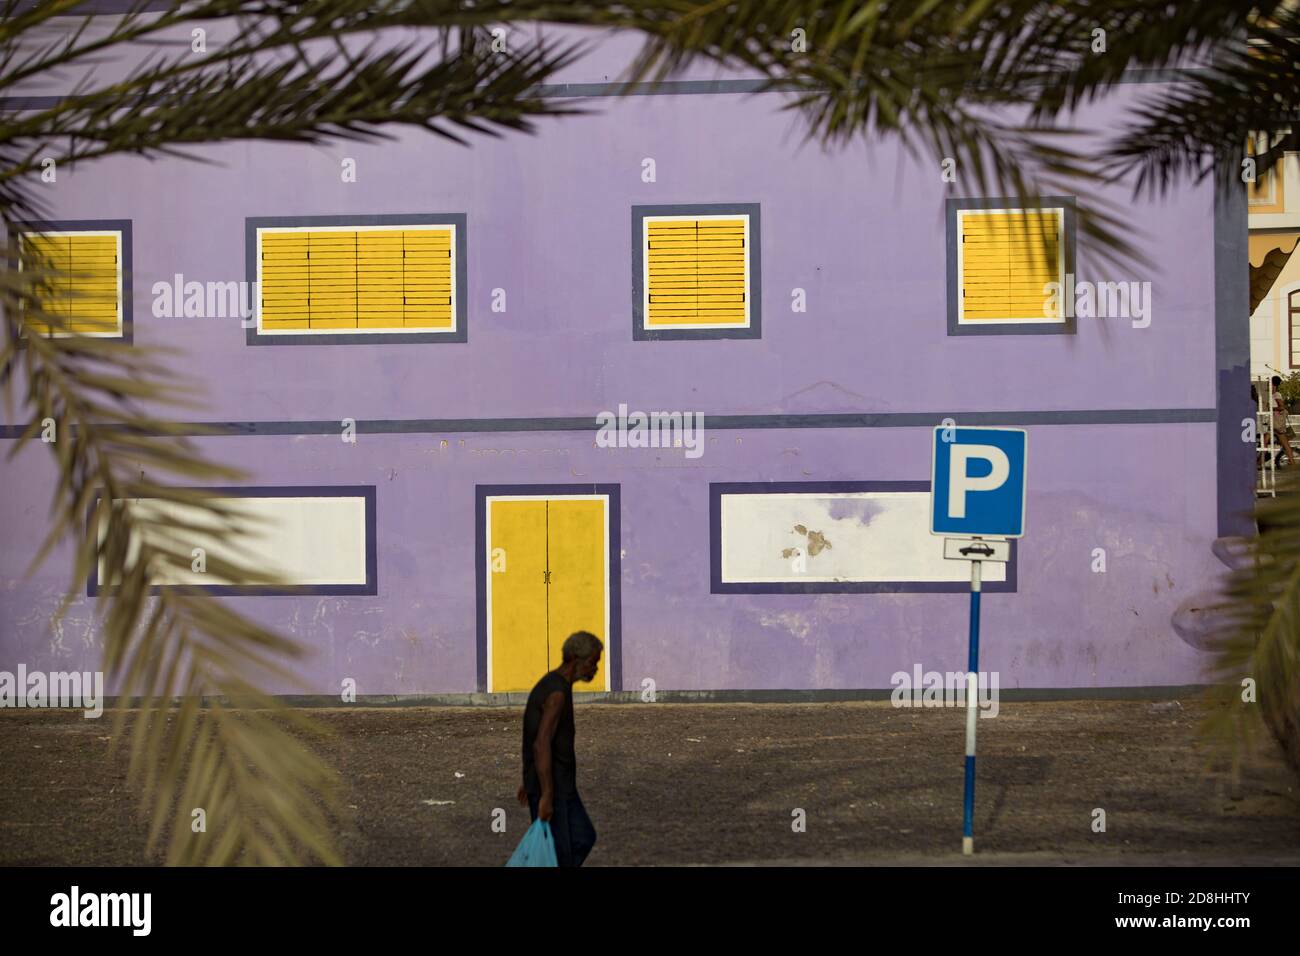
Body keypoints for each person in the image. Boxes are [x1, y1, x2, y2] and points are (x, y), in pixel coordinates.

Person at [516, 630, 603, 867]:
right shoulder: (556, 694)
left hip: (562, 784)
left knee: (583, 838)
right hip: (554, 788)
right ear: (575, 659)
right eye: (592, 663)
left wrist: (531, 779)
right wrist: (545, 794)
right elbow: (541, 742)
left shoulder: (558, 685)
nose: (595, 669)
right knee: (559, 855)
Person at [1272, 376, 1296, 467]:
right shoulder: (1272, 394)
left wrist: (1271, 408)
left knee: (1285, 443)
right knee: (1266, 440)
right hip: (1273, 422)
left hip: (1277, 422)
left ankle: (1293, 463)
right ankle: (1259, 462)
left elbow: (1282, 407)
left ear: (1273, 384)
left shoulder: (1276, 394)